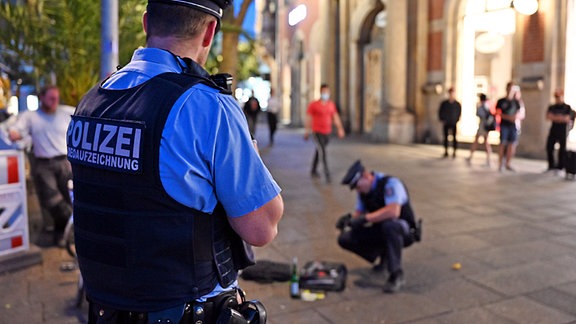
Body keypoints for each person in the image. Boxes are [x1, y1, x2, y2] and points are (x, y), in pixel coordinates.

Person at [67, 1, 284, 323]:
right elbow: (262, 227)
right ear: (209, 31)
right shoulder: (207, 106)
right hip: (183, 308)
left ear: (146, 23)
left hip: (104, 308)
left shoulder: (92, 100)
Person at [338, 160, 419, 294]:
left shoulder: (391, 184)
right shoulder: (363, 192)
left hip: (403, 230)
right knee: (345, 238)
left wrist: (365, 218)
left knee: (390, 226)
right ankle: (382, 254)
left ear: (365, 176)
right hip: (382, 228)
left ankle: (396, 274)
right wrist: (349, 221)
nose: (358, 190)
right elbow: (359, 214)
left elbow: (393, 212)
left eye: (358, 186)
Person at [9, 85, 73, 246]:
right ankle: (69, 227)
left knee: (70, 197)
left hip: (65, 161)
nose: (54, 102)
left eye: (56, 98)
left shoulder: (64, 113)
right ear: (42, 98)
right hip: (44, 164)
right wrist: (15, 134)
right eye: (51, 98)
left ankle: (62, 236)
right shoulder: (31, 116)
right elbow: (16, 130)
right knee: (53, 202)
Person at [304, 84, 345, 183]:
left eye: (327, 92)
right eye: (324, 92)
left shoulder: (331, 105)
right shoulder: (314, 105)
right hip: (317, 132)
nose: (325, 94)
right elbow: (308, 118)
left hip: (327, 132)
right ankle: (327, 173)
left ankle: (313, 169)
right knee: (322, 152)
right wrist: (307, 130)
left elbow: (335, 117)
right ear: (320, 92)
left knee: (319, 151)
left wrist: (340, 129)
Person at [496, 82, 524, 172]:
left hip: (513, 125)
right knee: (502, 144)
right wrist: (508, 117)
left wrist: (515, 118)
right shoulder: (501, 101)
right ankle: (500, 164)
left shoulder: (516, 102)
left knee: (512, 145)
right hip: (504, 125)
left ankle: (508, 163)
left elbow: (520, 113)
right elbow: (497, 112)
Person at [545, 89, 574, 173]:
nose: (557, 98)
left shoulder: (567, 107)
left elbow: (567, 118)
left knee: (562, 149)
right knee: (549, 147)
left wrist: (555, 117)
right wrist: (560, 117)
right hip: (554, 129)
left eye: (559, 96)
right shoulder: (552, 107)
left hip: (563, 130)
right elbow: (548, 117)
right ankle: (551, 165)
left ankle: (560, 166)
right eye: (556, 96)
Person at [466, 93, 493, 167]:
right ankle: (488, 159)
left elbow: (479, 114)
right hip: (485, 126)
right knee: (486, 142)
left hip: (482, 126)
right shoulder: (487, 106)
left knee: (478, 141)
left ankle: (471, 156)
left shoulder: (482, 107)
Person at [438, 87, 462, 158]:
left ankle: (454, 152)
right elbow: (440, 112)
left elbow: (459, 112)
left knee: (454, 137)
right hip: (446, 122)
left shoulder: (457, 104)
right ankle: (446, 151)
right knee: (445, 137)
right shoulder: (444, 103)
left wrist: (456, 120)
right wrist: (443, 119)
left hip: (453, 122)